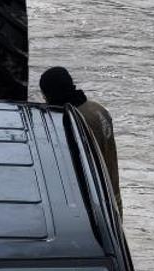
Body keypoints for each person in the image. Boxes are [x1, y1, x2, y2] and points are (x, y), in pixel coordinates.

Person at [39, 67, 121, 211]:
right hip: (113, 197)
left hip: (92, 204)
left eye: (45, 96)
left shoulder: (71, 120)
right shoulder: (98, 109)